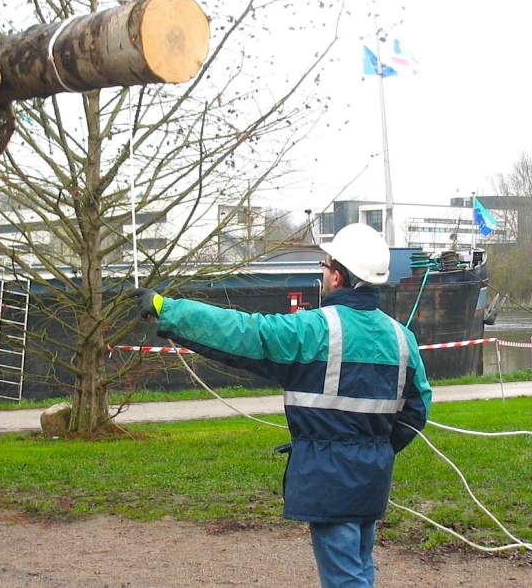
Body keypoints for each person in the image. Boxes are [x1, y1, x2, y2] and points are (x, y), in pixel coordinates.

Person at [130, 223, 431, 588]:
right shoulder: (403, 339)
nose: (322, 271)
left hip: (329, 478)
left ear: (337, 276)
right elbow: (417, 410)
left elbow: (245, 332)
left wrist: (168, 309)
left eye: (324, 264)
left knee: (346, 579)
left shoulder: (314, 330)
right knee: (360, 568)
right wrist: (376, 449)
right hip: (372, 477)